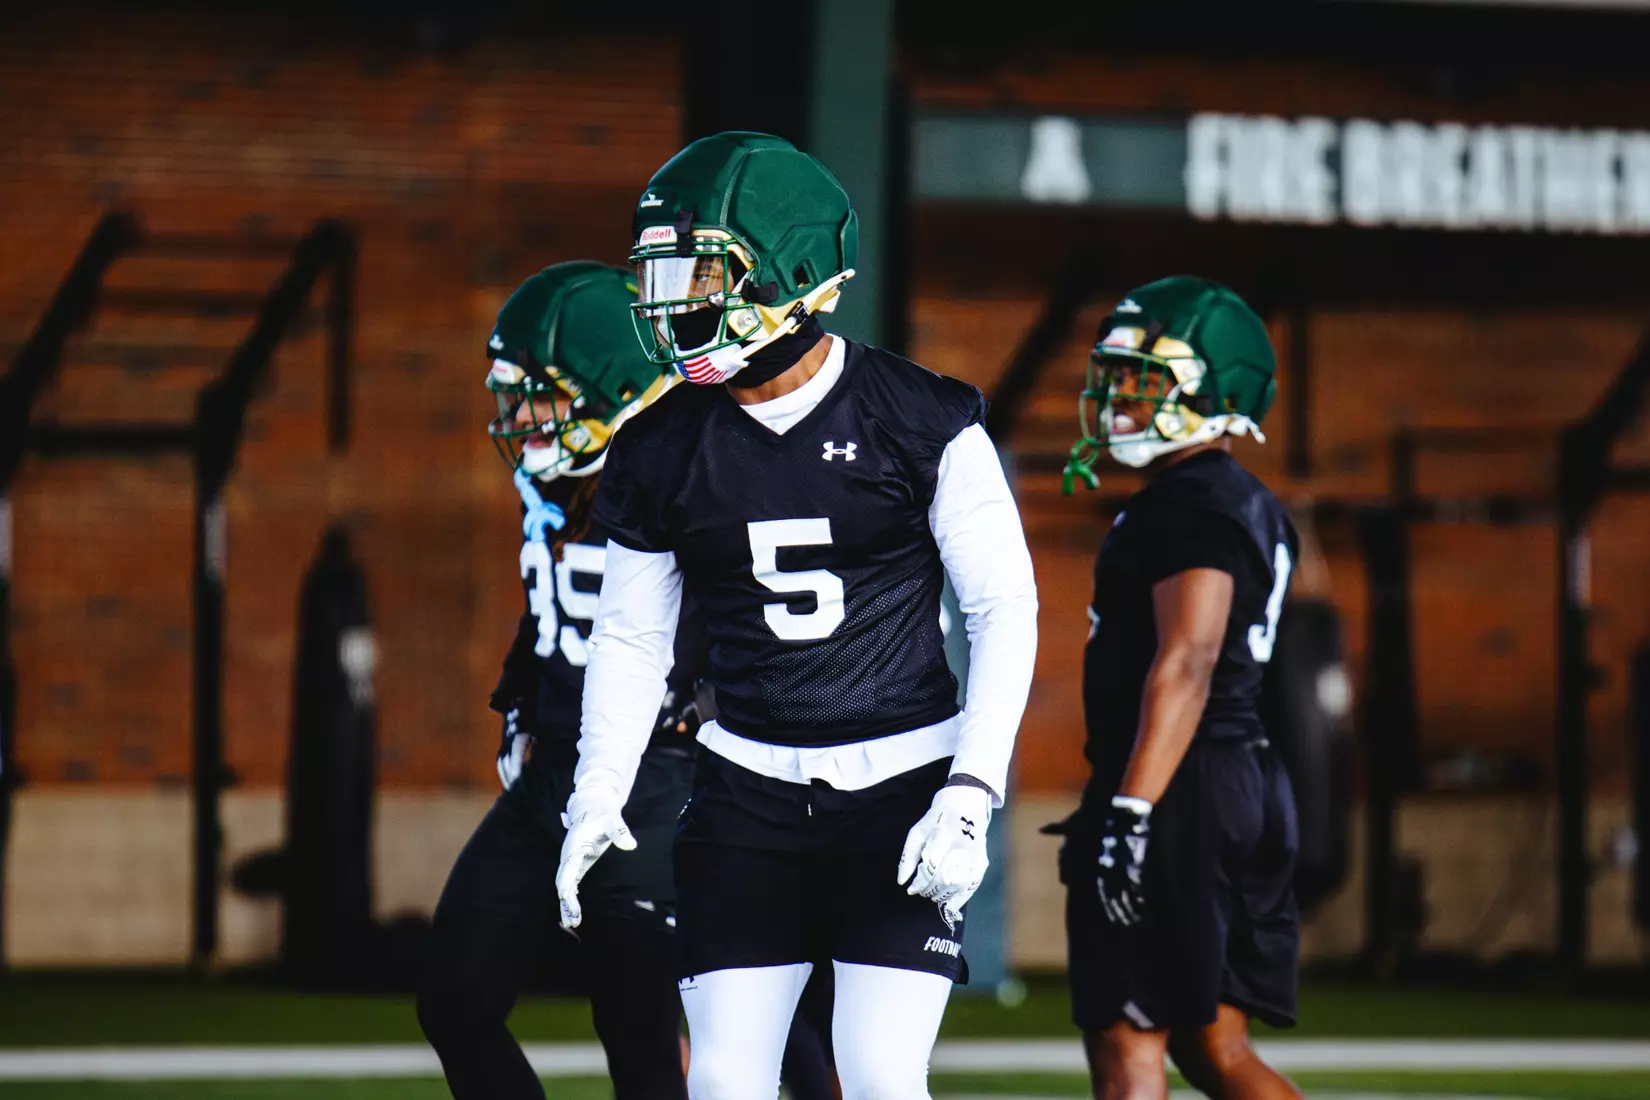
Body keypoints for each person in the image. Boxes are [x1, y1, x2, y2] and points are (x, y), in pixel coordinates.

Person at [552, 131, 1039, 1100]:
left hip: (903, 784)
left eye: (696, 274)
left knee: (879, 1073)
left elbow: (1004, 607)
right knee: (726, 1081)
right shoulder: (658, 445)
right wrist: (598, 784)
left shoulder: (921, 416)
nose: (670, 304)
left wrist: (973, 788)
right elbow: (635, 633)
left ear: (794, 273)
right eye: (659, 278)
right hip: (746, 790)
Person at [416, 261, 834, 1100]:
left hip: (667, 774)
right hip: (557, 775)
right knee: (456, 997)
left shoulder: (690, 471)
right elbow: (552, 609)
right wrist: (522, 702)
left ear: (610, 387)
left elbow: (775, 621)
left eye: (541, 393)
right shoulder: (558, 482)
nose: (522, 415)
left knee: (654, 1022)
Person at [1052, 276, 1304, 1100]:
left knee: (1130, 1039)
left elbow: (1189, 660)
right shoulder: (1241, 499)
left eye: (1144, 380)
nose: (1120, 398)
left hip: (1176, 783)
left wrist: (1131, 810)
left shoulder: (1190, 502)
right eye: (1118, 377)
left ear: (1211, 389)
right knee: (1213, 1048)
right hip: (1236, 774)